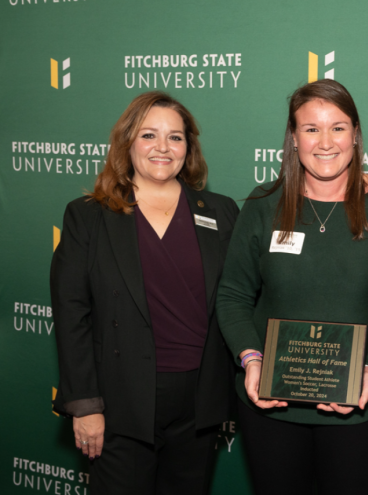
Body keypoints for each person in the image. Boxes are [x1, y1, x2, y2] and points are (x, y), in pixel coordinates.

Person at [216, 79, 368, 495]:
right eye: (311, 128)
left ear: (355, 134)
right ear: (293, 138)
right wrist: (252, 359)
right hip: (271, 410)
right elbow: (233, 296)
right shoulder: (263, 204)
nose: (325, 141)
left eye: (338, 126)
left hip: (361, 411)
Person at [51, 91, 238, 495]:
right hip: (121, 401)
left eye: (175, 137)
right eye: (148, 135)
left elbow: (238, 300)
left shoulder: (221, 212)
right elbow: (71, 314)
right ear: (127, 142)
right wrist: (85, 404)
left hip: (199, 400)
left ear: (188, 148)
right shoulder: (88, 216)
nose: (162, 148)